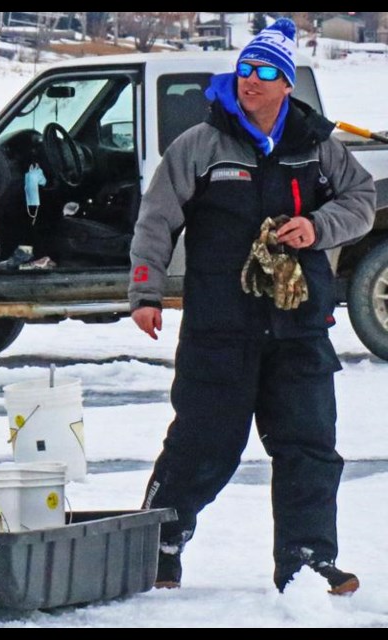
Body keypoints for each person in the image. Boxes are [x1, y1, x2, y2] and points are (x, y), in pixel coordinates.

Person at [128, 19, 374, 595]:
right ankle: (160, 546)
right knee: (203, 444)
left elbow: (362, 201)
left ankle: (309, 560)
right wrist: (144, 292)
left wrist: (317, 227)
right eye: (245, 69)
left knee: (309, 445)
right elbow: (156, 221)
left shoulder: (317, 147)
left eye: (265, 72)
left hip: (299, 326)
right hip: (221, 326)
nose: (251, 80)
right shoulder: (199, 146)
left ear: (287, 84)